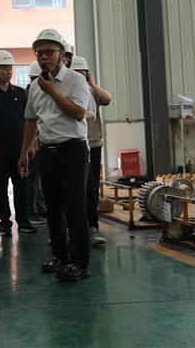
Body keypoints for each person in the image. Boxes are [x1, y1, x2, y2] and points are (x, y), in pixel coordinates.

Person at [17, 29, 92, 282]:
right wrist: (24, 153)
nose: (44, 57)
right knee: (52, 206)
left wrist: (52, 91)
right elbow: (30, 120)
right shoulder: (35, 86)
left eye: (49, 52)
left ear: (62, 55)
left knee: (74, 207)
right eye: (39, 53)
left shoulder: (76, 80)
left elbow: (79, 113)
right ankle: (60, 255)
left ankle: (79, 262)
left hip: (73, 151)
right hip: (48, 152)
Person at [0, 51, 36, 237]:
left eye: (10, 68)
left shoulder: (20, 93)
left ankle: (23, 221)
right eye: (4, 68)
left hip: (19, 149)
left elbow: (28, 121)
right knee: (0, 187)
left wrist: (30, 145)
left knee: (21, 186)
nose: (8, 71)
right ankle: (4, 222)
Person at [71, 56, 112, 248]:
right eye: (77, 72)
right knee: (74, 188)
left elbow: (107, 98)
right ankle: (72, 228)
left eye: (83, 72)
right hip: (75, 144)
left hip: (93, 144)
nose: (80, 75)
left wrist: (93, 84)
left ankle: (92, 226)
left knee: (92, 186)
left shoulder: (92, 91)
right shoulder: (69, 90)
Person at [24, 61, 47, 225]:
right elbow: (29, 122)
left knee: (40, 179)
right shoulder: (29, 94)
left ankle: (39, 207)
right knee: (32, 180)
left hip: (41, 142)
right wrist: (32, 143)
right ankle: (31, 211)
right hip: (33, 144)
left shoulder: (41, 92)